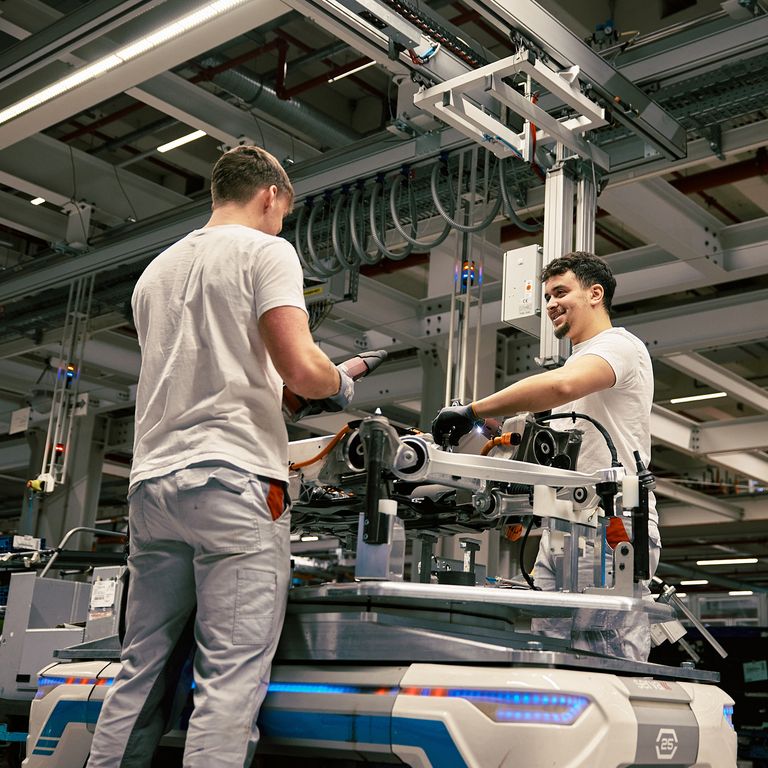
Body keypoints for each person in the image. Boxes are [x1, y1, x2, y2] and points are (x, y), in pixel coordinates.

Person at [87, 146, 354, 768]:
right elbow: (301, 367)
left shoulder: (155, 271)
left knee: (140, 665)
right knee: (229, 680)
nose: (280, 226)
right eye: (282, 214)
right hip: (233, 484)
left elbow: (208, 371)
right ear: (270, 195)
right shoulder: (266, 251)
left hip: (152, 485)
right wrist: (337, 382)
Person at [431, 252, 660, 661]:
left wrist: (473, 410)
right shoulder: (578, 360)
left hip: (609, 527)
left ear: (595, 293)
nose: (551, 303)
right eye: (547, 296)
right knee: (548, 655)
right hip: (562, 532)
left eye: (561, 292)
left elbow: (560, 387)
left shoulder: (619, 347)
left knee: (605, 661)